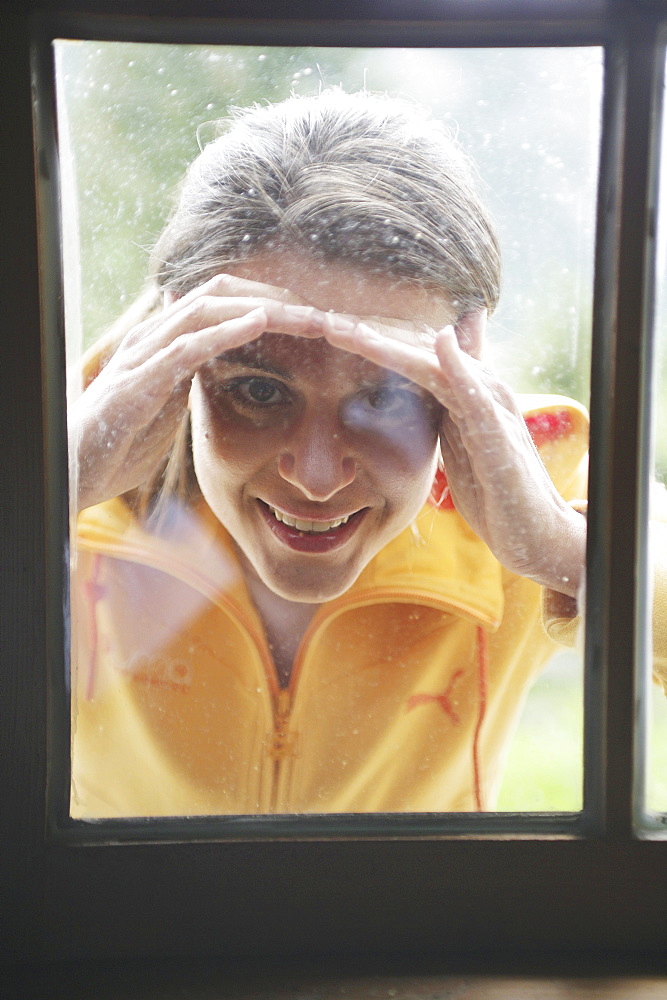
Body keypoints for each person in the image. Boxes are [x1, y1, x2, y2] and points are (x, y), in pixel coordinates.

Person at [70, 89, 591, 818]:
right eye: (257, 389)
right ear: (179, 346)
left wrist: (563, 551)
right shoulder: (74, 460)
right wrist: (46, 490)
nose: (315, 476)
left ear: (467, 351)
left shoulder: (536, 483)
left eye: (386, 396)